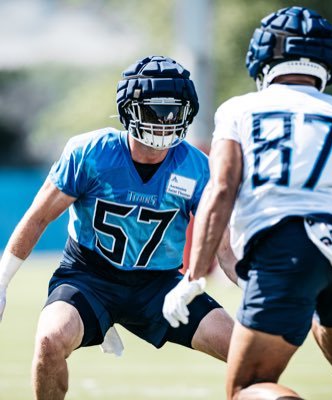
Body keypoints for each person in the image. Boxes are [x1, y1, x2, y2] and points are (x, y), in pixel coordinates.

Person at [162, 7, 332, 400]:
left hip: (284, 249)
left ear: (262, 58)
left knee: (246, 388)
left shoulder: (238, 109)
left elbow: (221, 191)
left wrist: (194, 277)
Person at [0, 55, 234, 400]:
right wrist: (3, 280)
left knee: (248, 351)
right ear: (129, 111)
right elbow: (38, 217)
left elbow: (225, 247)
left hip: (160, 284)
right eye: (154, 111)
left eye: (174, 112)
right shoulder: (91, 153)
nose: (165, 122)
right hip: (89, 277)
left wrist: (260, 292)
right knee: (50, 340)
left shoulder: (196, 166)